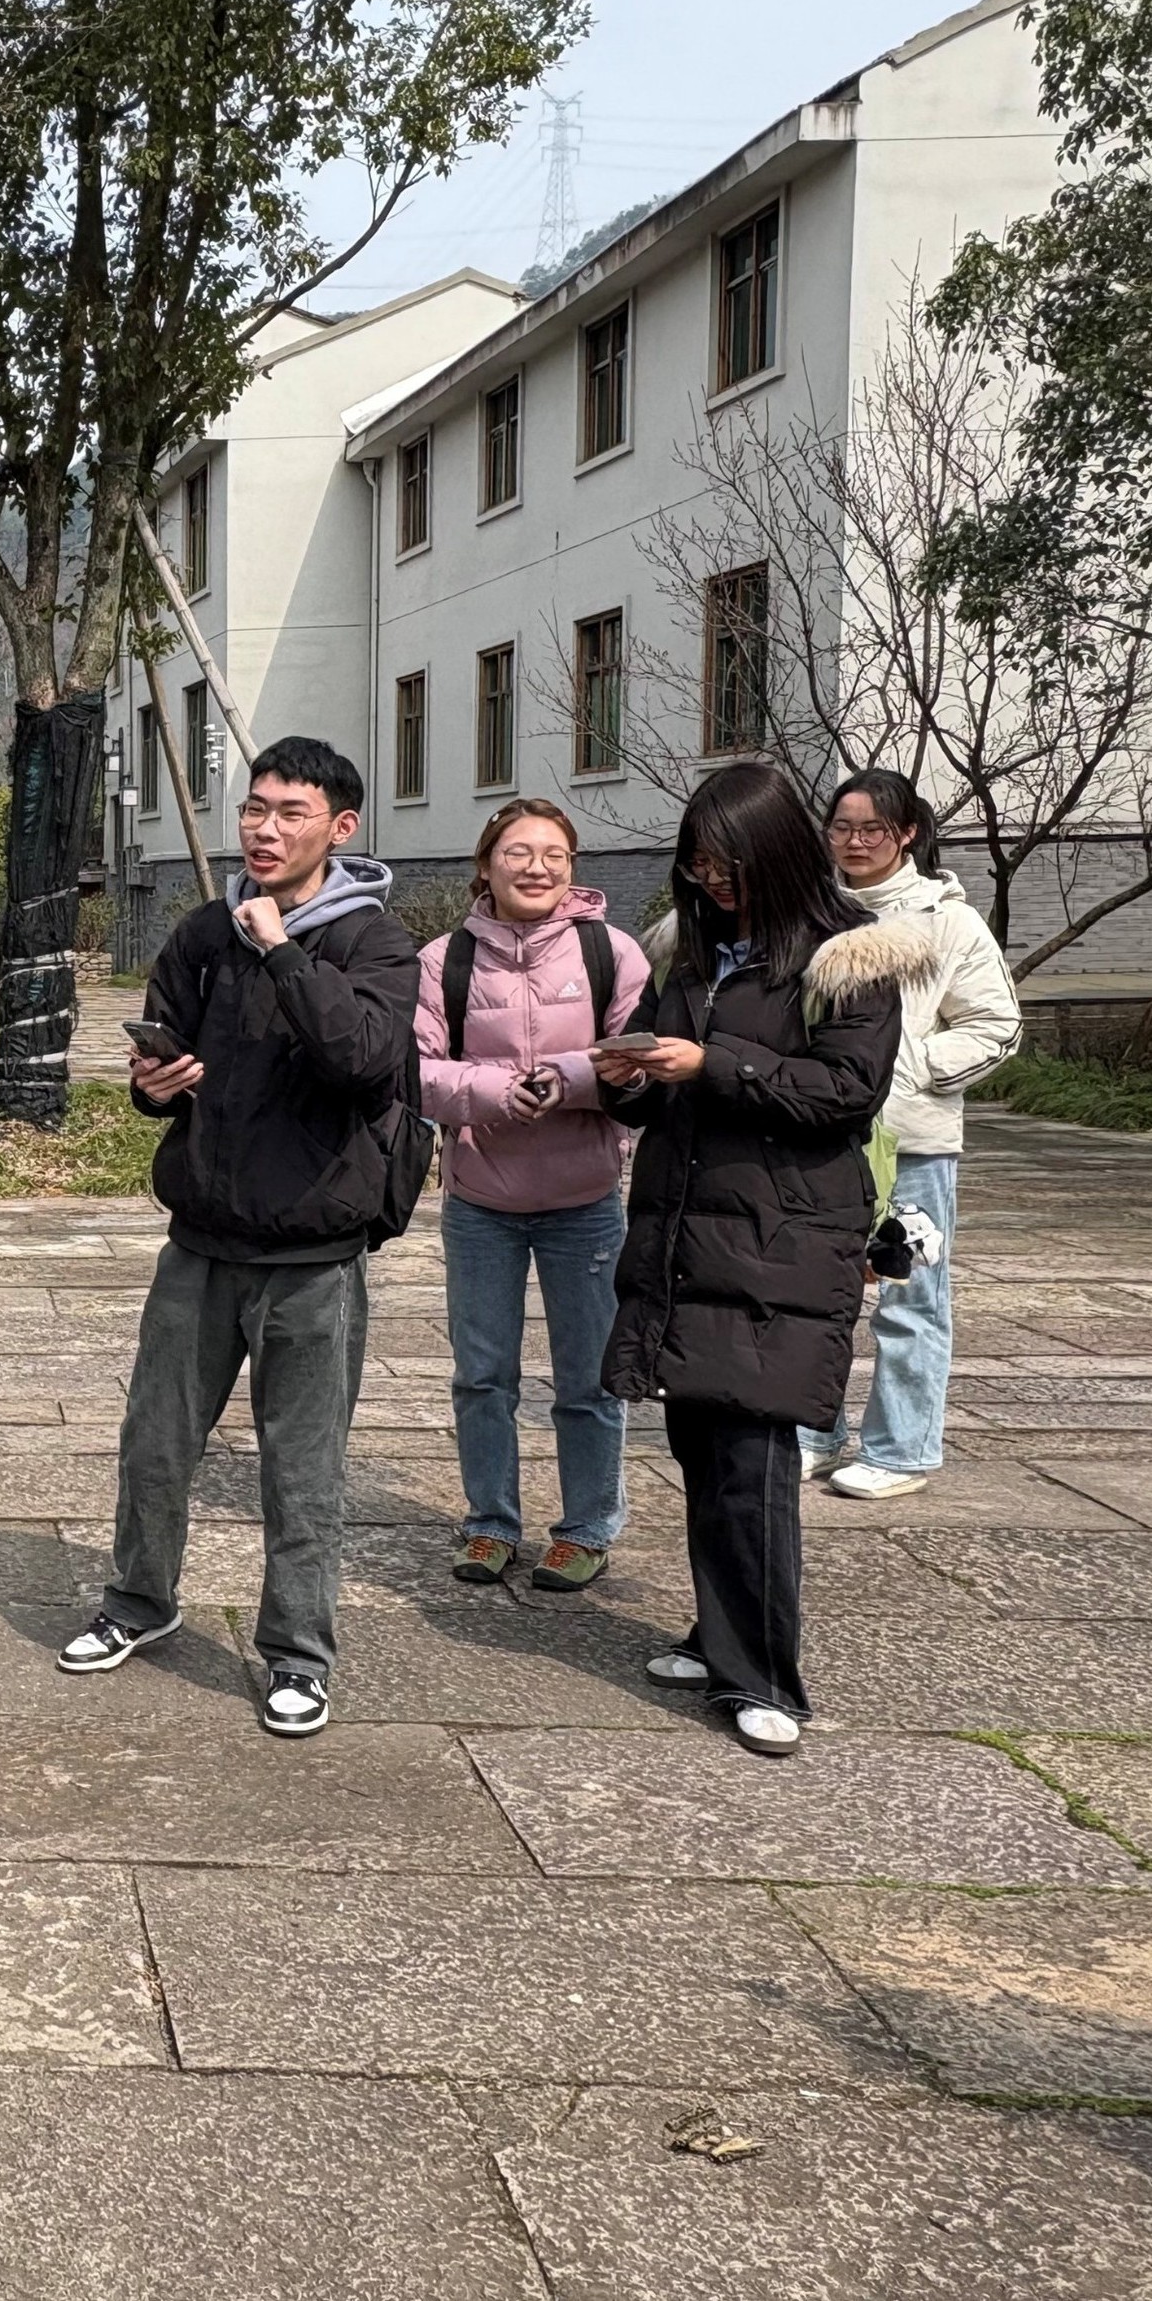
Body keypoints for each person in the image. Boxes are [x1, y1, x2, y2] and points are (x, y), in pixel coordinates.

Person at [60, 735, 421, 1739]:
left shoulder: (374, 943)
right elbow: (163, 1056)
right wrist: (152, 1083)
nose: (263, 828)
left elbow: (362, 1058)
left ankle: (297, 1653)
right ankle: (138, 1600)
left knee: (300, 1470)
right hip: (203, 1239)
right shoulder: (201, 933)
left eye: (289, 812)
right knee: (154, 1442)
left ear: (339, 828)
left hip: (313, 1252)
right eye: (254, 808)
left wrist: (282, 949)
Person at [597, 764, 904, 1757]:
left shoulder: (847, 956)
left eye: (728, 865)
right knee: (702, 1450)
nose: (712, 881)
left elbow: (845, 1091)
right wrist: (630, 1076)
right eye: (698, 865)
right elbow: (668, 1081)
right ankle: (716, 1634)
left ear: (774, 854)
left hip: (782, 1238)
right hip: (690, 1230)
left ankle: (764, 1676)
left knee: (752, 1464)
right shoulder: (692, 948)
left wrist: (713, 1063)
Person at [415, 799, 651, 1589]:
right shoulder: (443, 959)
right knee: (483, 1374)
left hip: (586, 1200)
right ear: (486, 865)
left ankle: (586, 1526)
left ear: (573, 868)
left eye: (555, 853)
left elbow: (638, 1054)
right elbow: (415, 1070)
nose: (537, 866)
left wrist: (567, 1077)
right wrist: (493, 1092)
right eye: (518, 852)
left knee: (589, 1376)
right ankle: (489, 1521)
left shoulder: (610, 951)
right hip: (481, 1201)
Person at [800, 769, 1022, 1500]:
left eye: (872, 828)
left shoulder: (947, 921)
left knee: (909, 1296)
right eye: (842, 827)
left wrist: (910, 1065)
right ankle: (812, 1431)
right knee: (812, 1290)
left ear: (907, 834)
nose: (855, 841)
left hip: (913, 1142)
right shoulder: (809, 910)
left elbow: (997, 1024)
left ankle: (901, 1450)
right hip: (815, 1133)